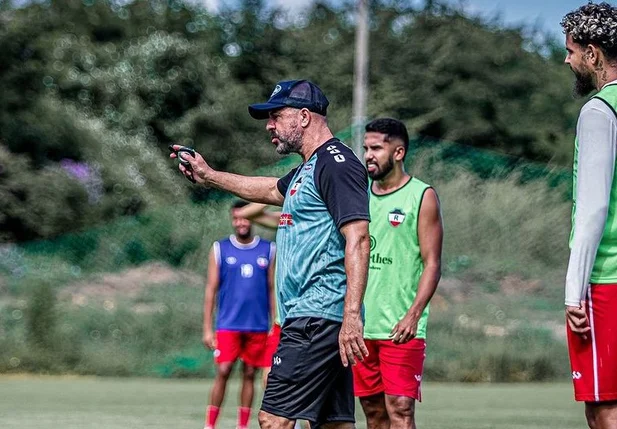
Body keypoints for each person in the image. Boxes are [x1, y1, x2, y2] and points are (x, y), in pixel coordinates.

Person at [171, 79, 371, 429]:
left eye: (276, 116)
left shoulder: (335, 164)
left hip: (316, 316)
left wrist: (351, 315)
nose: (269, 125)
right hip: (318, 318)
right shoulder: (310, 168)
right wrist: (209, 175)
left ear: (305, 117)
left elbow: (358, 238)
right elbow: (267, 188)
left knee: (273, 419)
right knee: (333, 424)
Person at [352, 118, 443, 429]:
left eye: (376, 148)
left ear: (399, 151)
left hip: (401, 327)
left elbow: (432, 263)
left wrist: (413, 315)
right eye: (366, 148)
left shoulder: (421, 195)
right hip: (362, 327)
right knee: (374, 414)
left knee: (401, 409)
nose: (368, 155)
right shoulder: (357, 195)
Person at [561, 3, 617, 428]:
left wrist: (572, 290)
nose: (568, 60)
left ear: (593, 54)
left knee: (603, 408)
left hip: (606, 281)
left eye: (572, 51)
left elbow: (594, 207)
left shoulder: (600, 110)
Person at [202, 200, 276, 429]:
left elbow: (272, 288)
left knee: (250, 373)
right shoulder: (220, 249)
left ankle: (242, 425)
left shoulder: (268, 249)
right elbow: (211, 289)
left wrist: (275, 322)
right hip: (228, 323)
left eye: (244, 217)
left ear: (252, 219)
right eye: (236, 218)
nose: (241, 222)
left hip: (257, 324)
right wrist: (207, 327)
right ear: (232, 220)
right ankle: (210, 424)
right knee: (223, 370)